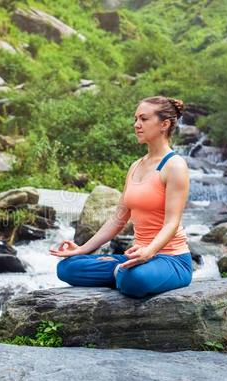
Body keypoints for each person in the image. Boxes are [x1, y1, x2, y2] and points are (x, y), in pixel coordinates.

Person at [49, 96, 192, 298]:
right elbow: (118, 219)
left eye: (144, 119)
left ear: (164, 124)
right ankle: (120, 270)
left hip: (171, 260)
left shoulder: (175, 166)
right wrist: (81, 249)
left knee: (134, 279)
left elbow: (172, 222)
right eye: (135, 119)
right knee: (66, 268)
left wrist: (149, 252)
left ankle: (121, 272)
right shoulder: (136, 166)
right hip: (137, 257)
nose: (137, 125)